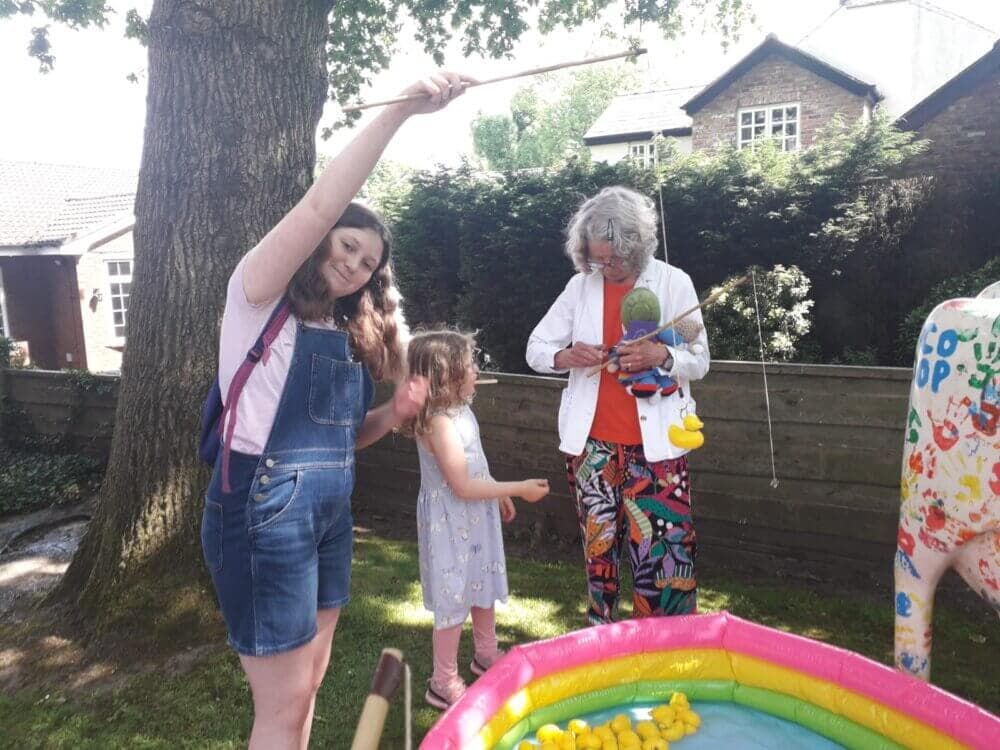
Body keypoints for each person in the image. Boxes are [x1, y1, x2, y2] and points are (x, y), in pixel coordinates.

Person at [199, 71, 471, 749]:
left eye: (368, 262)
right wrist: (403, 112)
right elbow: (324, 202)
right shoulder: (256, 293)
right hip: (262, 514)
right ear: (322, 242)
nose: (354, 266)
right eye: (347, 246)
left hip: (325, 517)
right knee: (283, 707)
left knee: (309, 687)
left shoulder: (341, 335)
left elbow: (342, 442)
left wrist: (397, 409)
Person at [525, 186, 710, 625]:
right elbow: (536, 347)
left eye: (613, 259)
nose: (603, 267)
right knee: (599, 553)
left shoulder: (673, 282)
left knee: (664, 559)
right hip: (592, 450)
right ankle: (601, 644)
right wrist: (566, 356)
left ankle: (668, 648)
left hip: (658, 451)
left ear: (637, 245)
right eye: (596, 259)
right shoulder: (580, 287)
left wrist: (661, 356)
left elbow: (699, 356)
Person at [404, 330, 550, 709]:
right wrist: (518, 487)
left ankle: (485, 655)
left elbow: (476, 466)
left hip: (475, 519)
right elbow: (462, 485)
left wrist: (498, 491)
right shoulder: (438, 423)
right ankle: (443, 680)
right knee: (454, 597)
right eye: (468, 365)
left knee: (481, 582)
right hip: (450, 524)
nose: (475, 370)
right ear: (446, 375)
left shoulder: (461, 412)